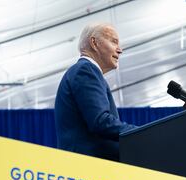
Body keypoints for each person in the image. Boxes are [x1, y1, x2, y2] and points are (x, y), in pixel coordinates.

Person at [55, 22, 136, 160]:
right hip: (88, 171)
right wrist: (141, 133)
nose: (119, 50)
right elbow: (100, 121)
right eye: (114, 42)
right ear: (94, 43)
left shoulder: (86, 71)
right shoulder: (86, 70)